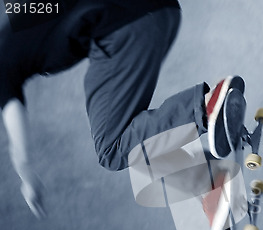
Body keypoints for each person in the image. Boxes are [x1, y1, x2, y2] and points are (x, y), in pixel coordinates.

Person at [0, 0, 245, 218]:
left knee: (112, 147)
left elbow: (14, 123)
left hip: (124, 29)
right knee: (138, 135)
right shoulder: (17, 18)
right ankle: (210, 182)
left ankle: (209, 107)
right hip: (161, 12)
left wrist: (25, 172)